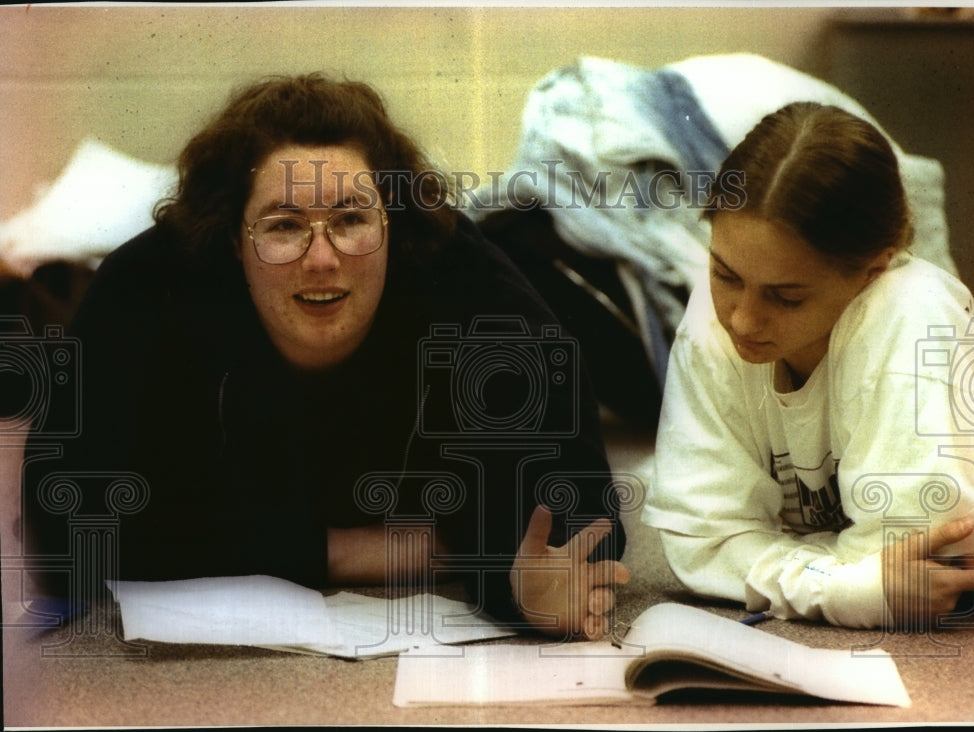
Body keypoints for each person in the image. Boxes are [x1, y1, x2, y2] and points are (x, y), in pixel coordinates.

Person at [23, 72, 628, 640]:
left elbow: (577, 514)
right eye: (284, 225)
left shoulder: (479, 298)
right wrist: (357, 550)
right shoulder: (147, 290)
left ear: (394, 225)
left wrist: (519, 592)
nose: (321, 259)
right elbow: (65, 527)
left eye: (351, 219)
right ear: (234, 238)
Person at [642, 101, 974, 629]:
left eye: (786, 298)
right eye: (725, 274)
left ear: (872, 270)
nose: (742, 320)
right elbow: (704, 543)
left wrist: (793, 572)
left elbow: (924, 562)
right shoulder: (713, 318)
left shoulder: (912, 314)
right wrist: (841, 590)